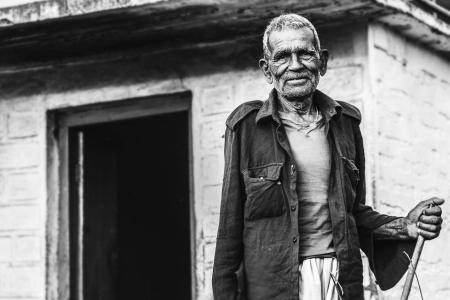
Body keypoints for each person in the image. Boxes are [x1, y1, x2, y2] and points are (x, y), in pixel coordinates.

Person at [212, 13, 444, 300]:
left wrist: (405, 226)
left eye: (305, 54)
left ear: (322, 61)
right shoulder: (246, 127)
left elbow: (354, 214)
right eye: (283, 56)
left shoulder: (345, 124)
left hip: (338, 279)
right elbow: (228, 233)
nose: (295, 65)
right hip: (273, 286)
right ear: (267, 69)